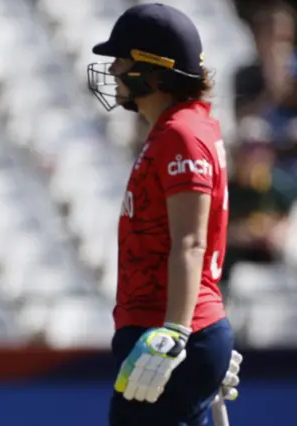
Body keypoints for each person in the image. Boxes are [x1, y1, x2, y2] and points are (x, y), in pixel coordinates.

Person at [87, 3, 242, 425]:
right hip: (173, 329)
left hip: (164, 332)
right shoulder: (184, 128)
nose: (114, 70)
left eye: (122, 60)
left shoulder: (181, 134)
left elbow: (190, 242)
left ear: (154, 72)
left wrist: (179, 332)